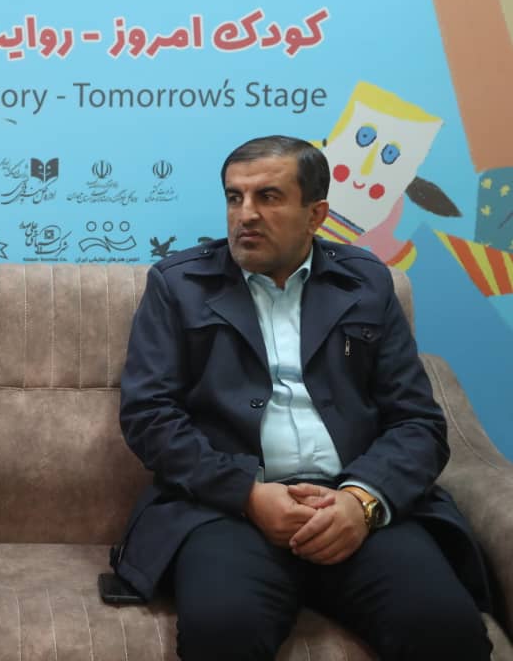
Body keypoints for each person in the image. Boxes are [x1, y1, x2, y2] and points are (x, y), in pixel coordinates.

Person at [112, 135, 492, 660]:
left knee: (446, 630)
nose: (246, 214)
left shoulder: (365, 283)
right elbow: (149, 416)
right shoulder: (179, 285)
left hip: (352, 504)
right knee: (222, 631)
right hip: (228, 511)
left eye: (268, 197)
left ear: (316, 214)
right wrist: (247, 494)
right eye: (234, 197)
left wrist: (361, 502)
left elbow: (417, 422)